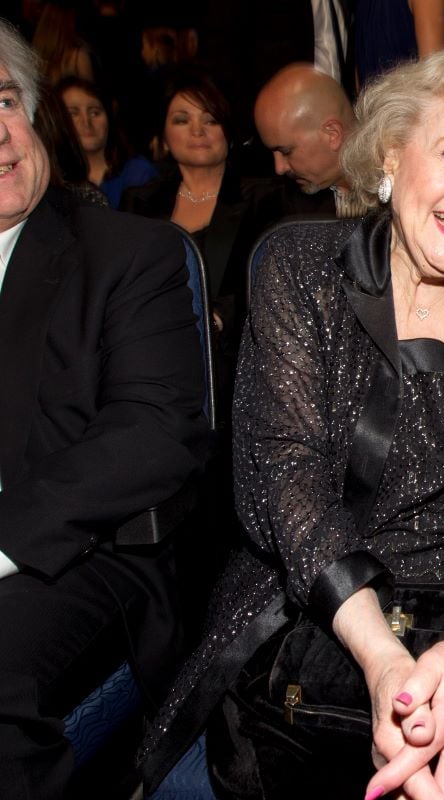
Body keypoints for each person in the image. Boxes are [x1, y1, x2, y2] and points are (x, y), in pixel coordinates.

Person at [138, 43, 444, 798]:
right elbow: (282, 479)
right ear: (390, 152)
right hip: (316, 608)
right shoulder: (297, 266)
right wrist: (384, 659)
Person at [0, 19, 208, 799]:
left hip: (79, 558)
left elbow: (155, 433)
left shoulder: (127, 254)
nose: (1, 134)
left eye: (5, 99)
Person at [122, 68, 283, 420]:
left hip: (238, 369)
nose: (197, 131)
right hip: (157, 368)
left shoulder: (264, 199)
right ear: (163, 135)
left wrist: (222, 316)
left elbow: (276, 286)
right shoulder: (140, 203)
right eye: (182, 120)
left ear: (229, 130)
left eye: (210, 120)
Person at [254, 62, 361, 217]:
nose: (279, 168)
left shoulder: (399, 186)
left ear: (333, 134)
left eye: (286, 152)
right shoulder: (278, 208)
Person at [56, 76, 158, 208]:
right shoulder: (54, 179)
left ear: (109, 118)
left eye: (94, 113)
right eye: (73, 114)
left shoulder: (138, 172)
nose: (86, 122)